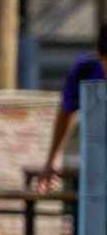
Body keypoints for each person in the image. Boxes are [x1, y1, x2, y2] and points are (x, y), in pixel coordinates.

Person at [39, 22, 107, 193]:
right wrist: (52, 159)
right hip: (95, 165)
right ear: (99, 55)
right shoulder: (85, 70)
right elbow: (67, 111)